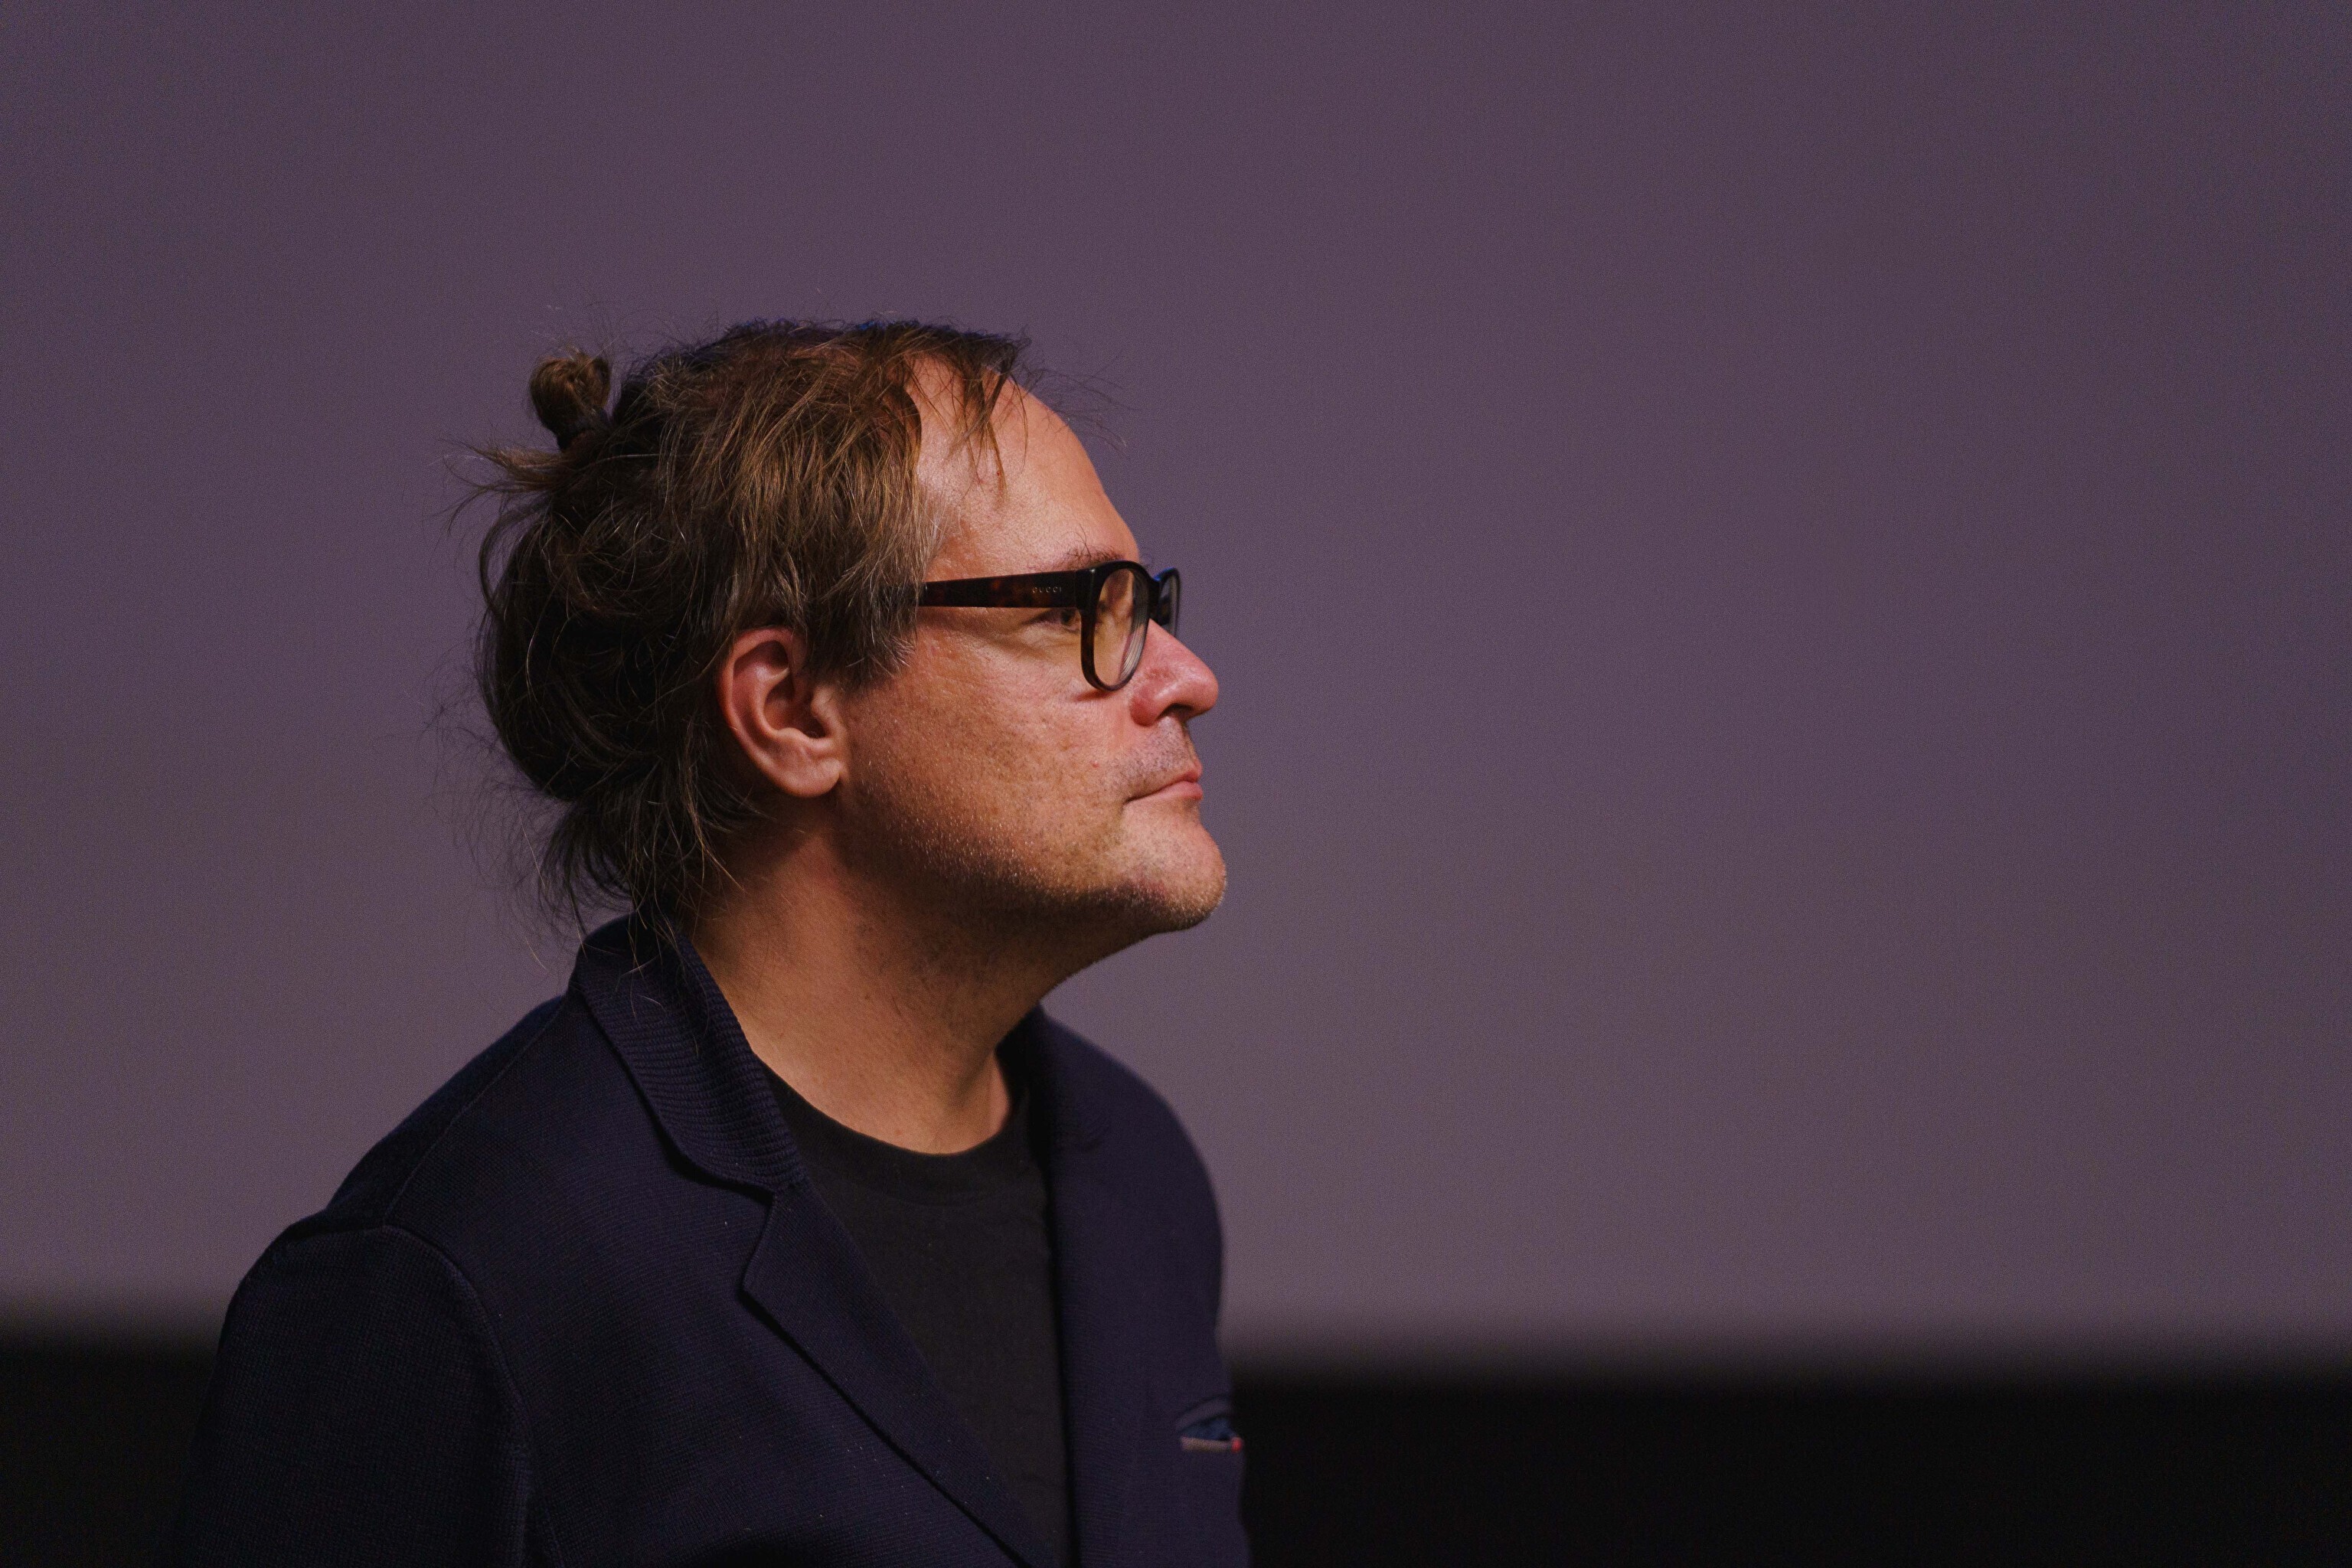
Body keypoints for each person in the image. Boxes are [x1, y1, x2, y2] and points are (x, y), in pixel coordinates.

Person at [166, 321, 1246, 1566]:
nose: (1188, 676)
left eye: (1146, 603)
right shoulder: (473, 1266)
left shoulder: (1135, 1177)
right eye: (1078, 611)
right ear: (791, 709)